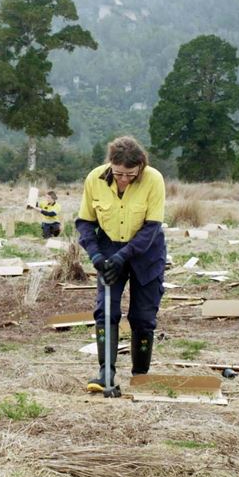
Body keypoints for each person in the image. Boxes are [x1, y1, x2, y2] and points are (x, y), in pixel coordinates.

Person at [75, 136, 166, 397]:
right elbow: (84, 222)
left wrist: (122, 256)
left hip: (145, 252)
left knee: (143, 316)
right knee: (106, 310)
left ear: (140, 167)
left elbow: (151, 228)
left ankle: (140, 376)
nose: (123, 179)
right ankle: (106, 373)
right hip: (108, 248)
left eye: (129, 174)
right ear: (110, 166)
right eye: (118, 174)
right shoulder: (94, 179)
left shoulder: (154, 180)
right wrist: (95, 256)